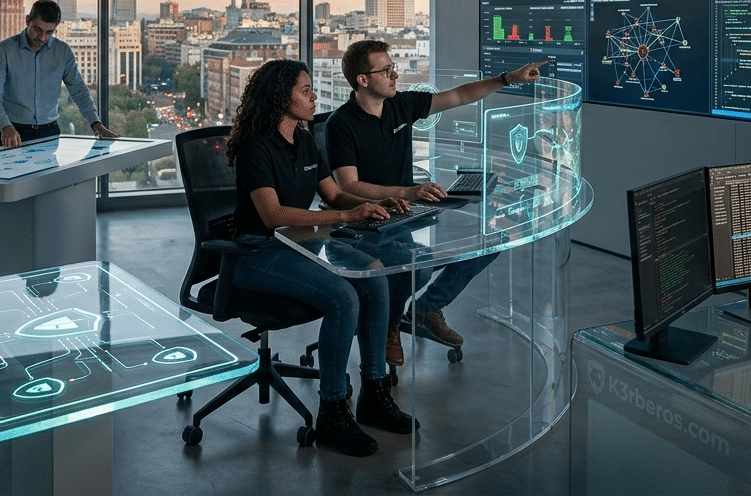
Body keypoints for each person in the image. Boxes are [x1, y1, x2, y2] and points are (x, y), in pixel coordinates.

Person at [226, 58, 416, 457]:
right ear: (281, 98)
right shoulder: (256, 147)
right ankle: (332, 411)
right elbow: (273, 216)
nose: (314, 97)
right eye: (305, 90)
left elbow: (334, 195)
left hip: (301, 247)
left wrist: (376, 203)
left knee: (375, 280)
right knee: (343, 297)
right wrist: (346, 216)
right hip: (257, 253)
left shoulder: (306, 140)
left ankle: (375, 393)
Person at [325, 39, 545, 361]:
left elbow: (459, 96)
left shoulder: (401, 104)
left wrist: (507, 79)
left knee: (490, 240)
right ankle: (390, 325)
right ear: (363, 80)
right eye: (386, 71)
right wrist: (406, 192)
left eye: (393, 68)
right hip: (369, 220)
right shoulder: (340, 124)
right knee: (420, 266)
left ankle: (426, 308)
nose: (395, 75)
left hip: (408, 211)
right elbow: (349, 185)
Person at [0, 0, 116, 147]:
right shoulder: (3, 51)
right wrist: (5, 126)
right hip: (11, 133)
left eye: (49, 32)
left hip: (50, 133)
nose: (42, 37)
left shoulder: (63, 52)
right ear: (27, 20)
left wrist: (96, 125)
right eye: (38, 29)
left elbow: (79, 91)